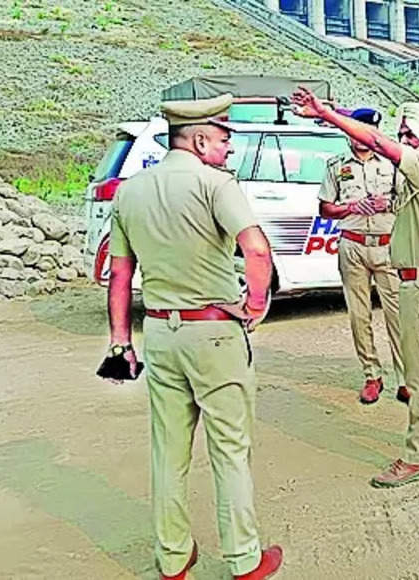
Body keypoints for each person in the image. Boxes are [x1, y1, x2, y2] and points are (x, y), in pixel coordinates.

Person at [103, 93, 283, 580]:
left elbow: (120, 276)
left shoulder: (130, 191)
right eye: (224, 139)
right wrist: (254, 307)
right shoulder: (216, 184)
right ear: (200, 139)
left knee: (168, 452)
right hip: (215, 334)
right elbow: (257, 251)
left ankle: (173, 557)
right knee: (230, 450)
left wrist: (122, 342)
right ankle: (244, 560)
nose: (228, 149)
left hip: (160, 333)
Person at [291, 87, 419, 488]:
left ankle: (415, 456)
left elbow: (374, 140)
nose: (400, 142)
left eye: (408, 136)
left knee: (418, 373)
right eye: (400, 135)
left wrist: (325, 113)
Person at [318, 107, 408, 405]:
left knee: (398, 315)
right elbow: (325, 209)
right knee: (359, 315)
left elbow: (408, 201)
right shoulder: (336, 166)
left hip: (387, 246)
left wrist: (388, 202)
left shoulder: (394, 164)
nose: (360, 137)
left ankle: (406, 377)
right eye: (355, 129)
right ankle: (372, 375)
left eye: (367, 129)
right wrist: (350, 207)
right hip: (352, 246)